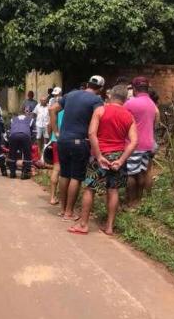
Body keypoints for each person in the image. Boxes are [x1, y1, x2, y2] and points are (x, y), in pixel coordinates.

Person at [68, 86, 138, 235]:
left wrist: (99, 156)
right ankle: (109, 227)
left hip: (100, 155)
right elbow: (134, 142)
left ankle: (83, 225)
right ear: (125, 99)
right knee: (113, 191)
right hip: (118, 156)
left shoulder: (100, 110)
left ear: (110, 95)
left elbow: (92, 133)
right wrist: (121, 159)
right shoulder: (129, 116)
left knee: (90, 189)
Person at [50, 75, 105, 221]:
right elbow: (101, 118)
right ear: (100, 89)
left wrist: (56, 131)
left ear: (87, 84)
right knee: (76, 177)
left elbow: (52, 109)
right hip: (79, 141)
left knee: (64, 174)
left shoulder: (70, 94)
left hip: (62, 140)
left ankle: (62, 210)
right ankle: (69, 213)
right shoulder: (97, 100)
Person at [124, 77, 159, 210]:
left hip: (133, 144)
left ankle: (130, 202)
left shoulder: (130, 103)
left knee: (130, 174)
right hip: (148, 144)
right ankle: (139, 200)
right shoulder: (152, 104)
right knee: (142, 173)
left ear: (134, 88)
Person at [7, 111, 36, 179]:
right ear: (26, 114)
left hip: (13, 136)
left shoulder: (13, 119)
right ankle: (25, 173)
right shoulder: (31, 120)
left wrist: (10, 141)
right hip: (25, 136)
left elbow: (8, 131)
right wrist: (31, 142)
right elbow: (34, 133)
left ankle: (12, 173)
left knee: (12, 153)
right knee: (27, 154)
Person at [47, 93, 65, 206]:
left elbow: (49, 126)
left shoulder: (55, 111)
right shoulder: (69, 112)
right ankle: (65, 200)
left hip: (55, 141)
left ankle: (52, 197)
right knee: (66, 172)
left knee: (56, 168)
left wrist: (51, 137)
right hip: (67, 141)